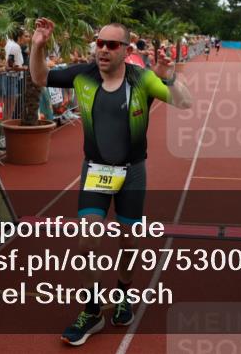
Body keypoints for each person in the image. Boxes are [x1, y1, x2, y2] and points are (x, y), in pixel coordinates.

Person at [29, 18, 192, 346]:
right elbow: (40, 77)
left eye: (111, 45)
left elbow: (184, 101)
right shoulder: (82, 74)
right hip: (96, 170)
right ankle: (92, 310)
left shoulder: (141, 79)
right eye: (99, 43)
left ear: (127, 50)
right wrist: (37, 45)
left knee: (128, 243)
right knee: (87, 241)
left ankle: (123, 294)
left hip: (132, 172)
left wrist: (168, 75)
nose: (102, 49)